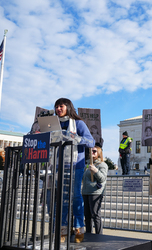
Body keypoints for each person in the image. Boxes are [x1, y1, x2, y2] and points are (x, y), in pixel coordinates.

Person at [55, 98, 95, 243]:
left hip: (75, 165)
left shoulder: (78, 123)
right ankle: (63, 230)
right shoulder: (54, 125)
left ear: (68, 107)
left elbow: (91, 141)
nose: (58, 109)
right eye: (56, 107)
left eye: (61, 106)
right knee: (62, 199)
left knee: (75, 195)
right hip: (59, 166)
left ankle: (79, 228)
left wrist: (75, 138)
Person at [82, 144, 108, 234]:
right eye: (91, 151)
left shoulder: (102, 165)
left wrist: (95, 171)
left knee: (96, 215)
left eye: (94, 151)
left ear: (99, 153)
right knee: (87, 215)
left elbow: (102, 178)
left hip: (95, 192)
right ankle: (89, 234)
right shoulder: (88, 164)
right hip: (86, 192)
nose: (92, 153)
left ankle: (99, 234)